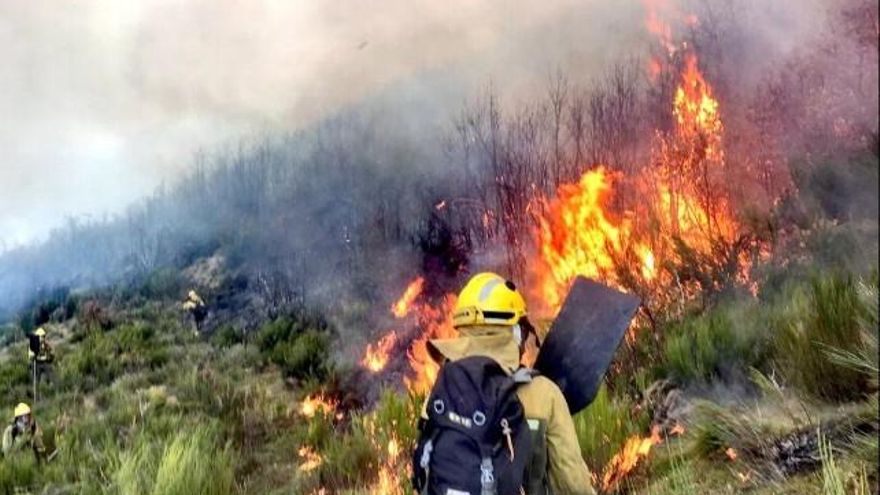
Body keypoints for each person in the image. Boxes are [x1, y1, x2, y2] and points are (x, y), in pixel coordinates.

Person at [414, 272, 596, 495]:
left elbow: (425, 475)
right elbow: (572, 485)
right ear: (517, 333)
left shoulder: (441, 393)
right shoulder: (544, 393)